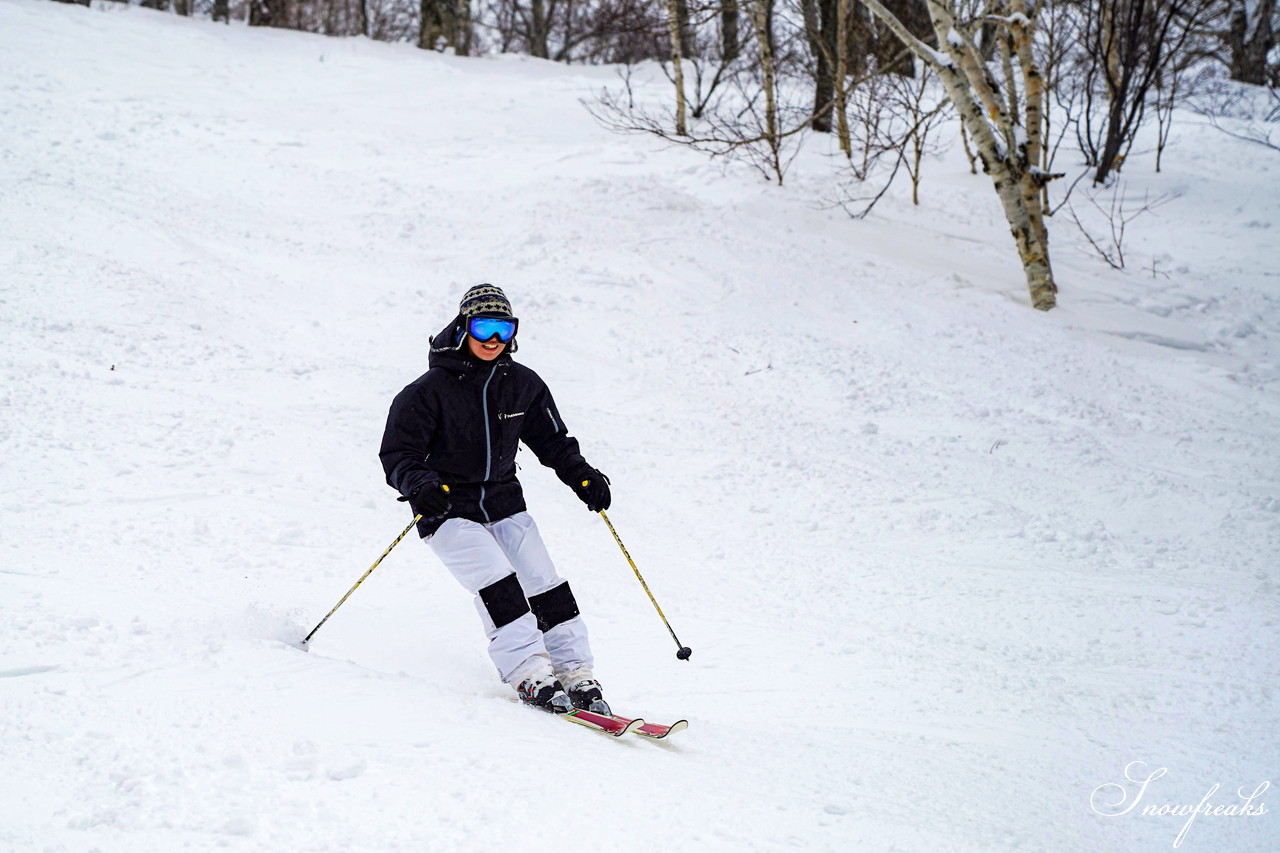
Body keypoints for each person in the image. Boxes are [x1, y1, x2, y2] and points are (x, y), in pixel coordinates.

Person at [379, 284, 613, 715]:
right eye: (484, 326)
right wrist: (419, 485)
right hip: (447, 510)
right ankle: (528, 671)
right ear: (464, 326)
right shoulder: (427, 391)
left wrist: (582, 476)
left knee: (544, 582)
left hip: (505, 505)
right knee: (498, 580)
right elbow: (398, 453)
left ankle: (575, 670)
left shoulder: (522, 385)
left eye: (503, 329)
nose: (493, 339)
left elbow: (554, 442)